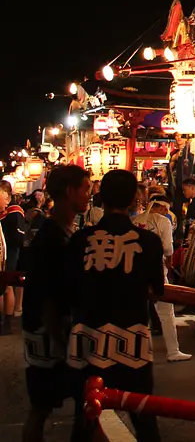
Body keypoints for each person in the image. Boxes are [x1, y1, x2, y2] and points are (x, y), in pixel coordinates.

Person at [67, 169, 166, 442]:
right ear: (135, 198)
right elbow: (156, 292)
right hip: (131, 338)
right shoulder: (148, 241)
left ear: (100, 197)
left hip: (89, 337)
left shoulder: (80, 241)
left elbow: (69, 290)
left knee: (86, 415)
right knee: (144, 416)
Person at [22, 164, 92, 442]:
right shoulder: (52, 236)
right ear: (70, 191)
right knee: (42, 408)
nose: (89, 195)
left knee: (49, 406)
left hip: (50, 330)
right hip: (50, 331)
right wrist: (61, 337)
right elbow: (49, 293)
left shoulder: (59, 231)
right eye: (86, 189)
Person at [134, 195, 191, 362]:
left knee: (138, 313)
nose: (167, 212)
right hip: (156, 270)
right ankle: (173, 351)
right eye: (165, 208)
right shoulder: (163, 221)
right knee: (166, 312)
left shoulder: (135, 220)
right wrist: (168, 267)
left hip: (134, 271)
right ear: (160, 207)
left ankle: (138, 352)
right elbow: (168, 249)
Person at [1, 178, 26, 332]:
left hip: (9, 253)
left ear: (7, 197)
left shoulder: (14, 212)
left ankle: (7, 322)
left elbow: (18, 237)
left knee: (6, 285)